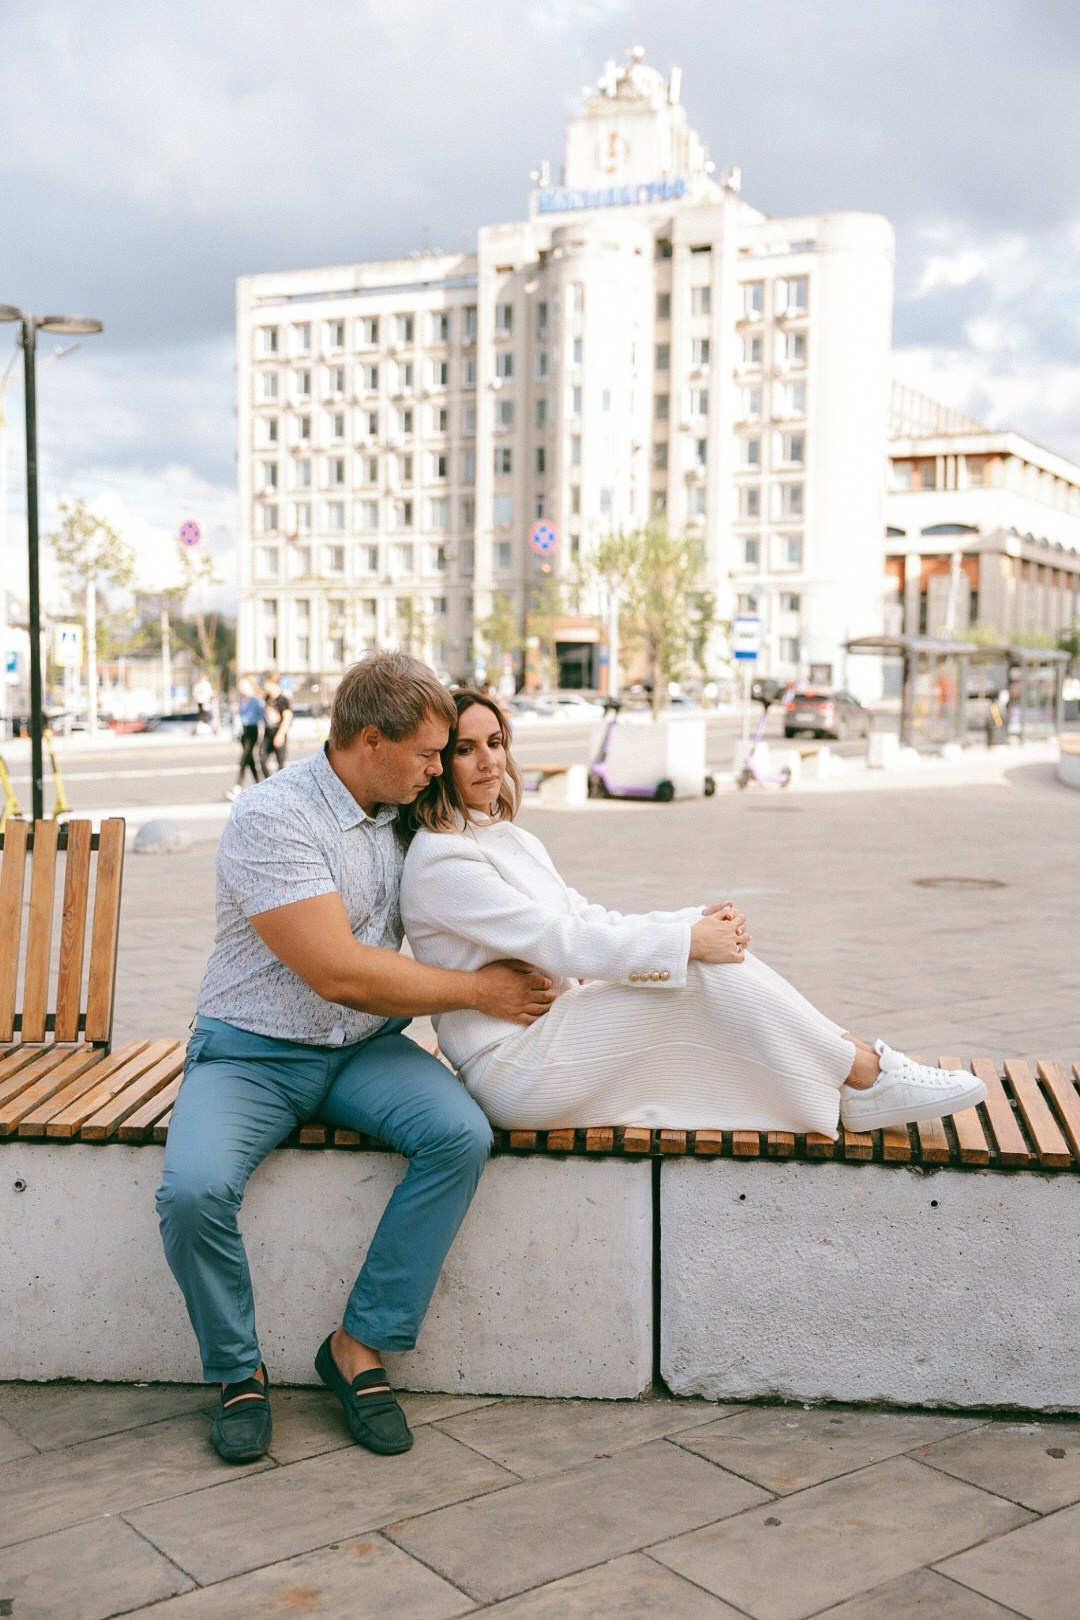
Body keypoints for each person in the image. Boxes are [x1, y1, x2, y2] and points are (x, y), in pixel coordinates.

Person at [157, 655, 554, 1466]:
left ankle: (358, 1346)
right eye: (427, 755)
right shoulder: (273, 816)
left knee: (459, 1137)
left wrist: (493, 769)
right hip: (251, 1054)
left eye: (447, 754)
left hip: (364, 1049)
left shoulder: (409, 807)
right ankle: (237, 1373)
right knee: (193, 1191)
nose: (437, 769)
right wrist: (480, 994)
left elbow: (494, 840)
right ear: (369, 741)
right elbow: (335, 970)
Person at [400, 689, 987, 1138]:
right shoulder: (440, 859)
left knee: (710, 966)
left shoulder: (506, 838)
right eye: (464, 749)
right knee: (701, 972)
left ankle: (859, 1072)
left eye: (495, 743)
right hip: (516, 1067)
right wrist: (687, 945)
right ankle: (866, 1075)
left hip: (555, 1031)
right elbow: (562, 942)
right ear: (436, 763)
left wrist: (691, 921)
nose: (486, 762)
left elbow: (591, 917)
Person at [227, 675, 264, 800]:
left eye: (243, 685)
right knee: (250, 761)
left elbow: (262, 715)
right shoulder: (241, 700)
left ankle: (238, 786)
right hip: (243, 732)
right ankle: (260, 785)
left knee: (244, 758)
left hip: (253, 730)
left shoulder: (256, 700)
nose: (240, 688)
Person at [260, 673, 293, 775]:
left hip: (278, 732)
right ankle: (268, 781)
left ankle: (280, 787)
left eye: (267, 683)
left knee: (280, 764)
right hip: (268, 733)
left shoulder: (283, 699)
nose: (265, 686)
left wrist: (281, 734)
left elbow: (288, 717)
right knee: (262, 758)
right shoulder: (267, 698)